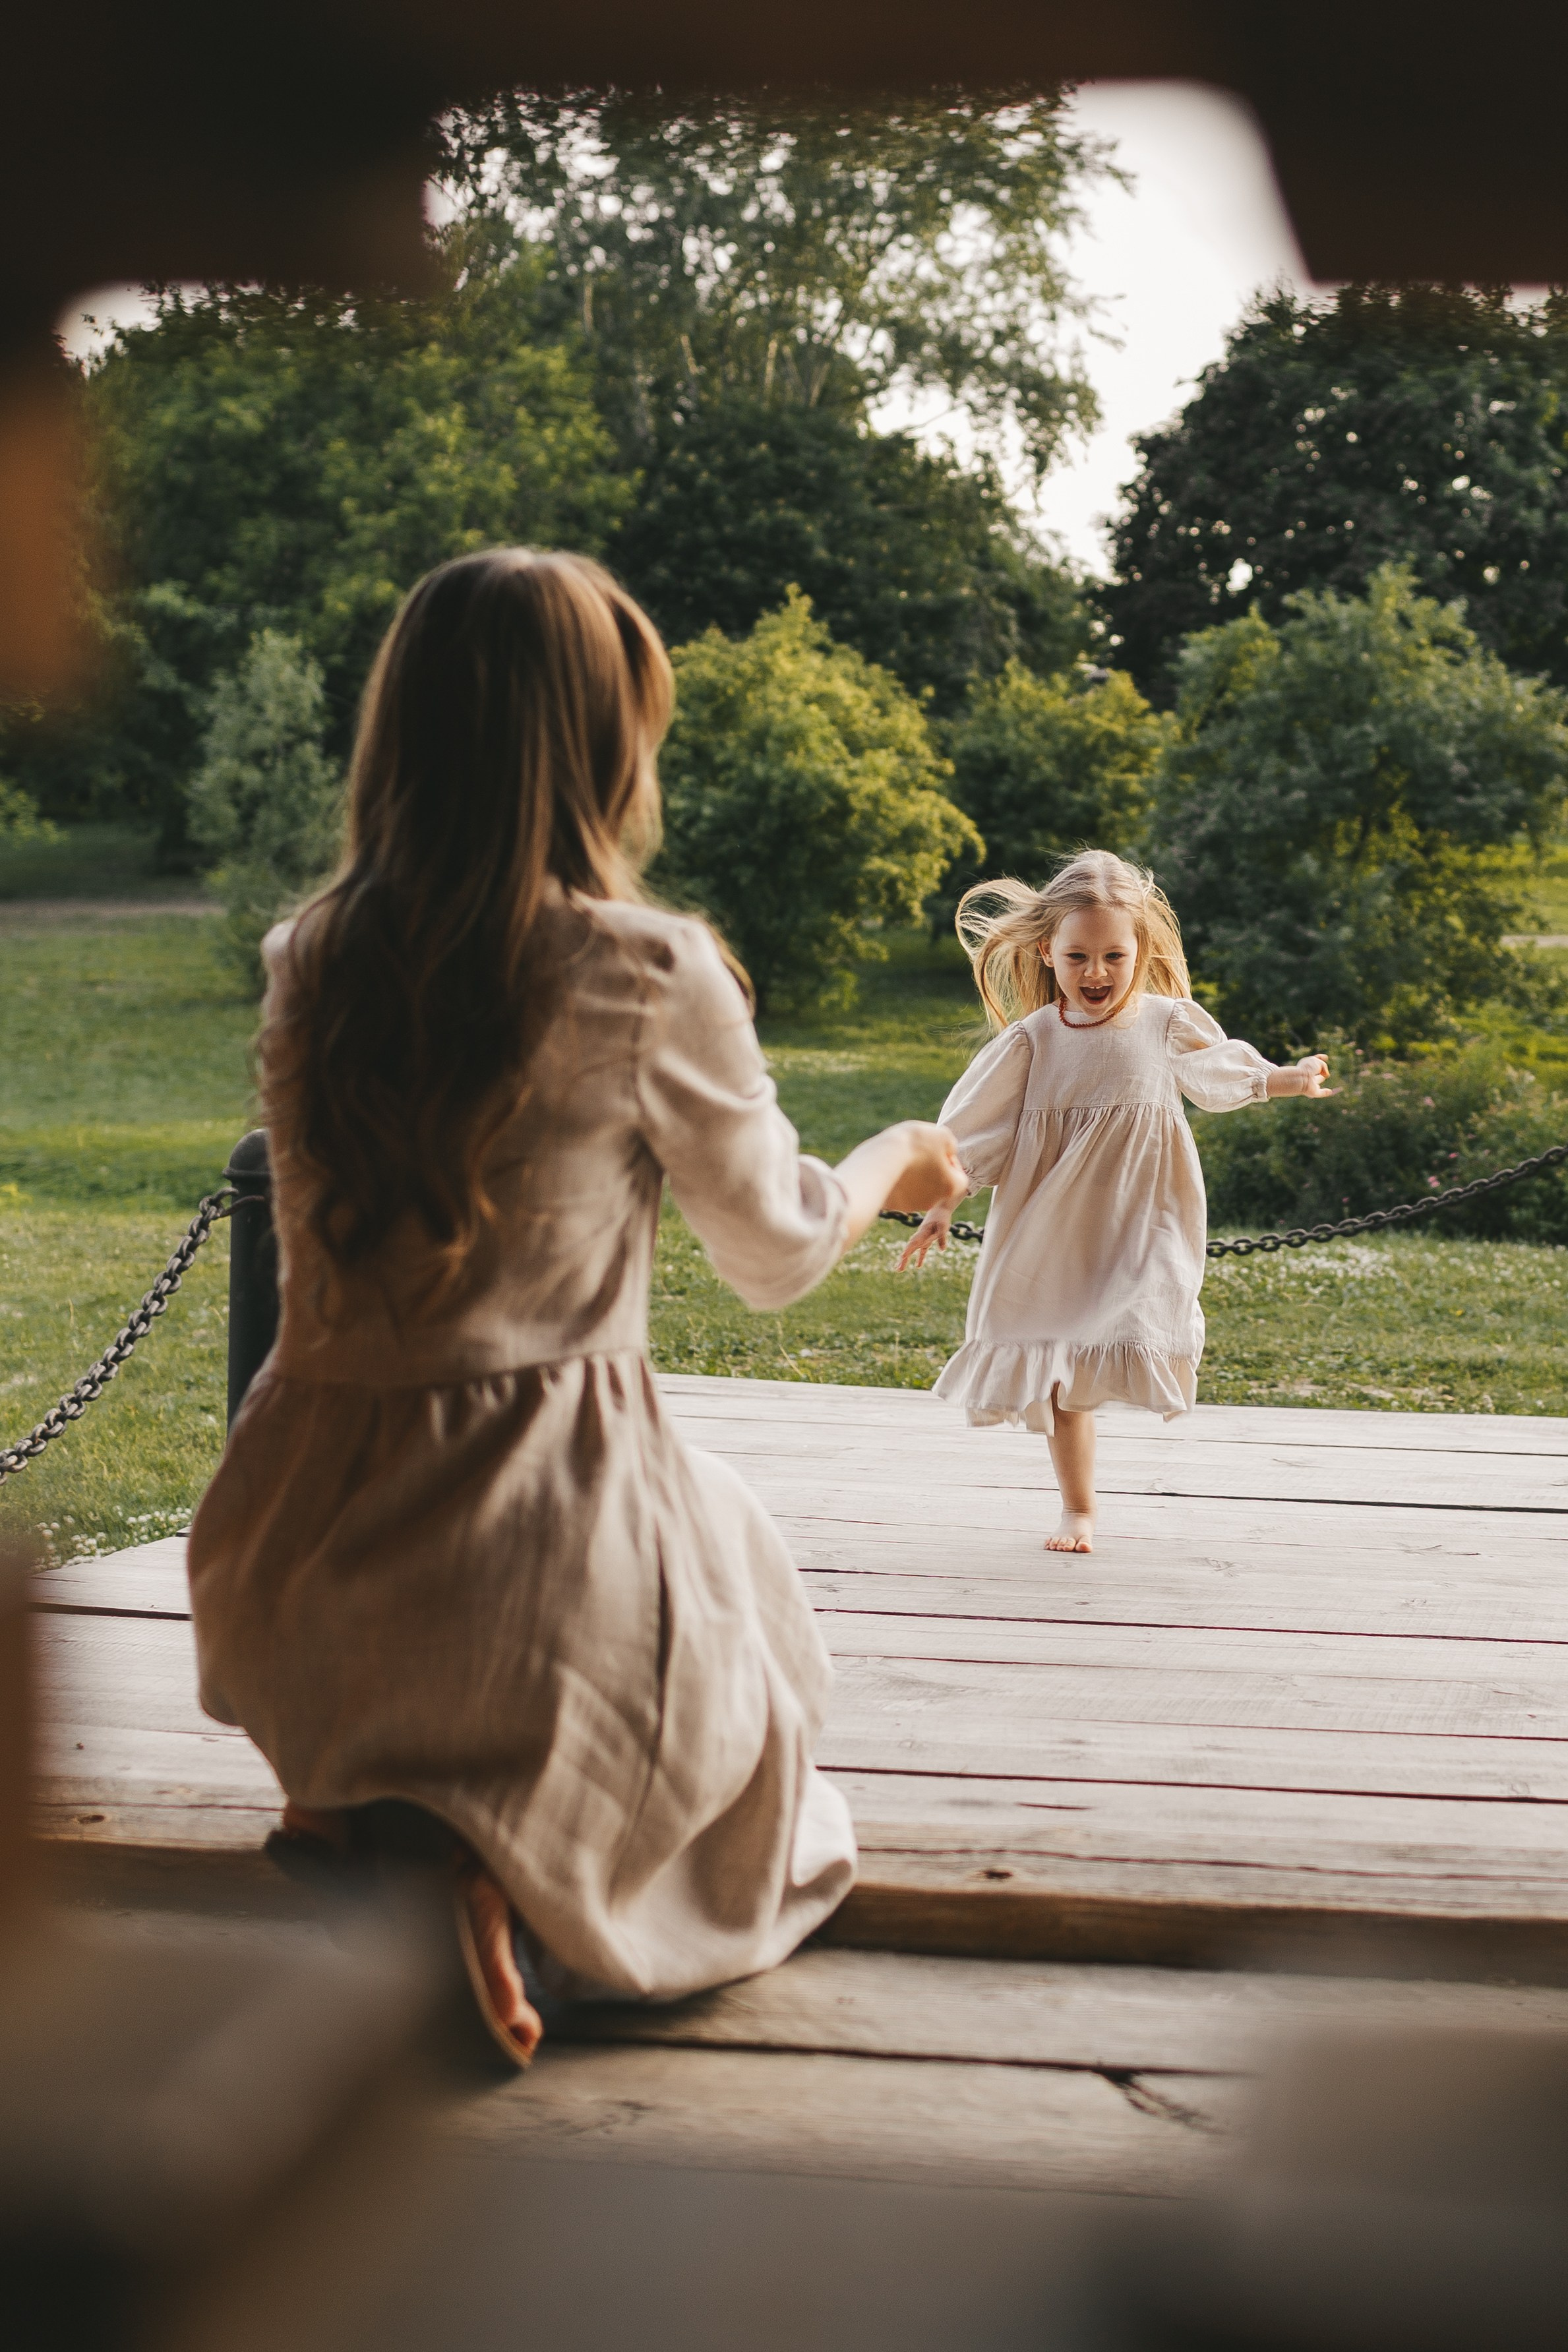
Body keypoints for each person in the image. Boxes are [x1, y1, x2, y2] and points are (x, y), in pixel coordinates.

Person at [186, 549, 967, 2064]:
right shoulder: (647, 970)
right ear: (606, 745)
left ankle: (367, 1812)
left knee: (647, 1545)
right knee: (740, 1621)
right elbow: (775, 1253)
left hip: (289, 1559)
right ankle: (501, 1876)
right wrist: (900, 1153)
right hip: (530, 1554)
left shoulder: (311, 960)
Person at [898, 851, 1331, 1555]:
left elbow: (1218, 1071)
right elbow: (977, 1130)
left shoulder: (1163, 1022)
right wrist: (944, 1201)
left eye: (1112, 956)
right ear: (1047, 952)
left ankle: (1113, 1427)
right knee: (1059, 1371)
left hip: (1142, 1219)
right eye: (1077, 957)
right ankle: (1077, 1509)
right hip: (1051, 1227)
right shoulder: (1033, 1040)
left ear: (1141, 951)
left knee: (1138, 1308)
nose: (1095, 972)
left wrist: (1289, 1078)